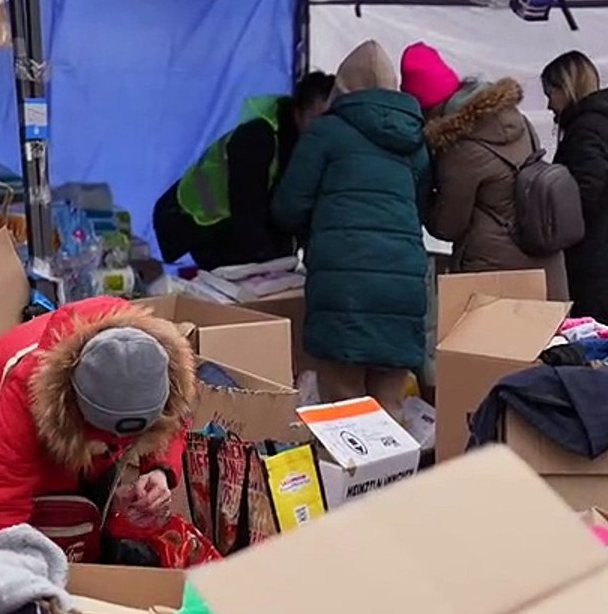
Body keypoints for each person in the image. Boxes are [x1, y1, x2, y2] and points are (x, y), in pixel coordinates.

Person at [0, 296, 195, 547]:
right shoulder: (24, 399)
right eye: (104, 435)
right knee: (53, 514)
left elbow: (171, 420)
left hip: (71, 414)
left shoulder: (159, 366)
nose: (119, 444)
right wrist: (9, 563)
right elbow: (0, 505)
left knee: (89, 511)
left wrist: (158, 470)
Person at [272, 41, 431, 419]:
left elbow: (288, 208)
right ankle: (395, 461)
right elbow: (420, 209)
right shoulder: (415, 141)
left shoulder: (326, 133)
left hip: (345, 290)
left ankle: (350, 462)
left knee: (344, 409)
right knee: (390, 409)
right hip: (403, 287)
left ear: (342, 86)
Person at [409, 56, 569, 300]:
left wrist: (423, 192)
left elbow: (448, 226)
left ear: (429, 110)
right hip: (545, 267)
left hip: (493, 276)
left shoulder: (461, 148)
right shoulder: (518, 120)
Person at [153, 72, 336, 269]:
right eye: (317, 119)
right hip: (191, 220)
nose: (324, 130)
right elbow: (247, 215)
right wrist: (272, 262)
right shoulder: (258, 137)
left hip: (226, 223)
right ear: (298, 111)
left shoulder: (306, 147)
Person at [541, 50, 608, 332]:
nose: (549, 105)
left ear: (565, 87)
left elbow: (584, 194)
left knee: (599, 345)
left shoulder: (586, 129)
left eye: (550, 93)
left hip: (600, 265)